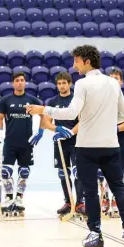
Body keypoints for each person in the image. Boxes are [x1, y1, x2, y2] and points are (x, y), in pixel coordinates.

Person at [26, 45, 124, 247]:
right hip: (111, 145)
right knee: (119, 187)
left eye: (76, 61)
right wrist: (104, 123)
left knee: (90, 192)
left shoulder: (82, 83)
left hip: (87, 147)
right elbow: (123, 114)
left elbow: (71, 112)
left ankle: (95, 234)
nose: (73, 65)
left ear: (86, 61)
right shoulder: (113, 83)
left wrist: (43, 110)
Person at [0, 72, 45, 214]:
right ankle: (9, 197)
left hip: (26, 143)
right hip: (9, 142)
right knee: (5, 172)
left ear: (25, 82)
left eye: (22, 80)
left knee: (24, 171)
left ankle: (19, 198)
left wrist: (41, 131)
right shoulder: (6, 100)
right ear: (13, 83)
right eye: (17, 80)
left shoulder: (32, 99)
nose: (20, 83)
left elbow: (44, 115)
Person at [42, 72, 83, 217]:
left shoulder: (76, 100)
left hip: (76, 141)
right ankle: (68, 202)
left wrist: (71, 132)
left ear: (69, 84)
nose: (61, 86)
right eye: (59, 83)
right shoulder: (52, 101)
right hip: (60, 142)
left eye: (64, 83)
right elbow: (46, 122)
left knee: (78, 173)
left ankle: (80, 203)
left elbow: (82, 120)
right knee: (63, 173)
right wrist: (57, 129)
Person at [100, 69, 124, 218]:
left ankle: (116, 200)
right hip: (104, 141)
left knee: (119, 173)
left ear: (121, 82)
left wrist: (115, 129)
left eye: (117, 78)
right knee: (103, 171)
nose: (114, 81)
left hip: (121, 141)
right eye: (111, 78)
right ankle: (105, 198)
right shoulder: (101, 99)